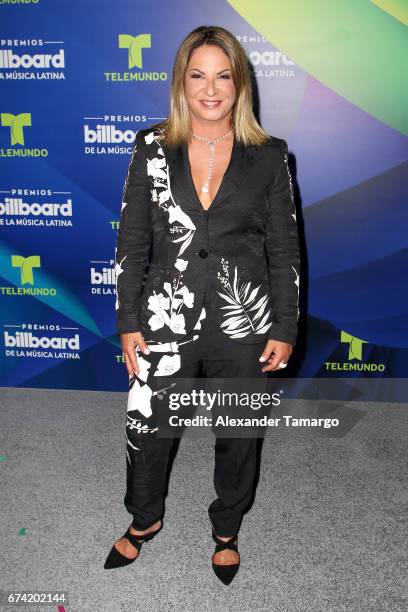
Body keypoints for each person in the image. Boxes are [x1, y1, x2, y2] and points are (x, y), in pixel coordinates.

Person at [104, 25, 300, 584]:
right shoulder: (151, 148)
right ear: (180, 83)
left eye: (223, 75)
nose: (210, 89)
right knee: (148, 428)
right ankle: (144, 520)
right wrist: (128, 321)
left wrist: (284, 325)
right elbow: (132, 241)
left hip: (245, 319)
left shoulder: (269, 157)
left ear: (240, 84)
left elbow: (285, 246)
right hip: (164, 316)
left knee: (239, 432)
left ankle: (227, 528)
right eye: (198, 75)